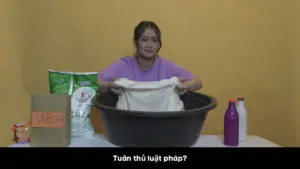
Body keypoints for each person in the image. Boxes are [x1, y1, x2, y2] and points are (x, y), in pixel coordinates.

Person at [98, 21, 203, 95]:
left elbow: (197, 82)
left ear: (158, 44)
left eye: (154, 40)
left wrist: (186, 86)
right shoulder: (124, 65)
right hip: (129, 120)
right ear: (136, 42)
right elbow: (93, 83)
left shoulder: (165, 66)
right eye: (144, 40)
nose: (149, 45)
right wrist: (109, 86)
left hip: (159, 120)